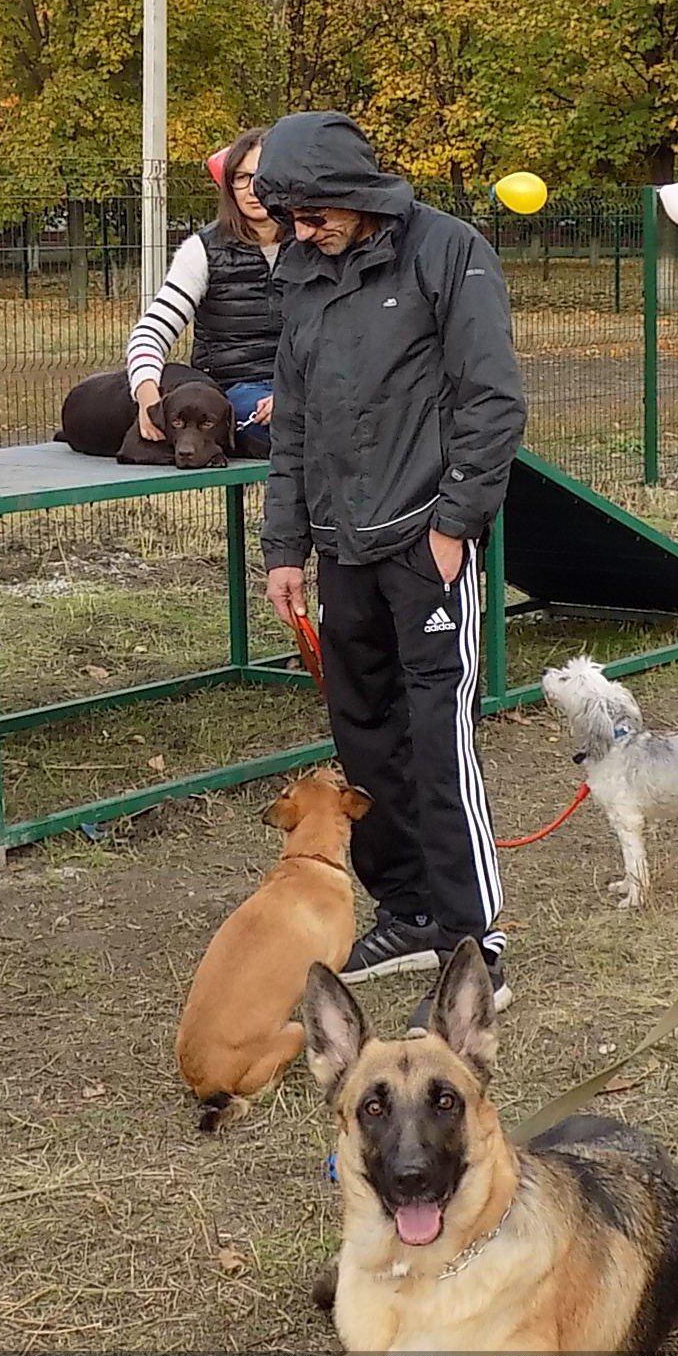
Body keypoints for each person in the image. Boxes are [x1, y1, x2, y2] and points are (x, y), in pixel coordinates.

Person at [254, 111, 527, 1019]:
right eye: (286, 217)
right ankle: (407, 909)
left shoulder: (449, 251)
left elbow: (492, 398)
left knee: (438, 740)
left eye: (311, 212)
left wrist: (455, 523)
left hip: (426, 543)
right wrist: (285, 547)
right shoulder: (301, 274)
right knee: (365, 740)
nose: (299, 231)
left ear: (352, 192)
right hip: (340, 551)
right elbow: (290, 423)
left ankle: (473, 941)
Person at [125, 127, 281, 456]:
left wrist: (296, 394)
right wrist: (146, 392)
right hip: (234, 391)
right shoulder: (203, 250)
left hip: (302, 389)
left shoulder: (315, 244)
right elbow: (150, 332)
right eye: (241, 177)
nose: (252, 189)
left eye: (263, 176)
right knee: (294, 431)